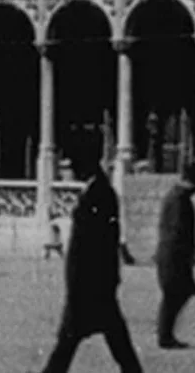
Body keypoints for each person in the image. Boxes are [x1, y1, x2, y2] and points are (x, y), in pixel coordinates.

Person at [35, 153, 143, 373]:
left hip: (90, 282)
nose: (66, 171)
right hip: (94, 282)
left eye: (68, 167)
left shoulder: (99, 193)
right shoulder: (97, 190)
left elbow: (98, 242)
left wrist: (79, 281)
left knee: (72, 338)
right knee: (108, 334)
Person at [154, 160, 195, 349]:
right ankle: (165, 336)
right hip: (174, 256)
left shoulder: (177, 196)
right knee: (174, 295)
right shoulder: (179, 200)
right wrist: (185, 258)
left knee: (177, 294)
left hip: (173, 255)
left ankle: (165, 334)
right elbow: (177, 232)